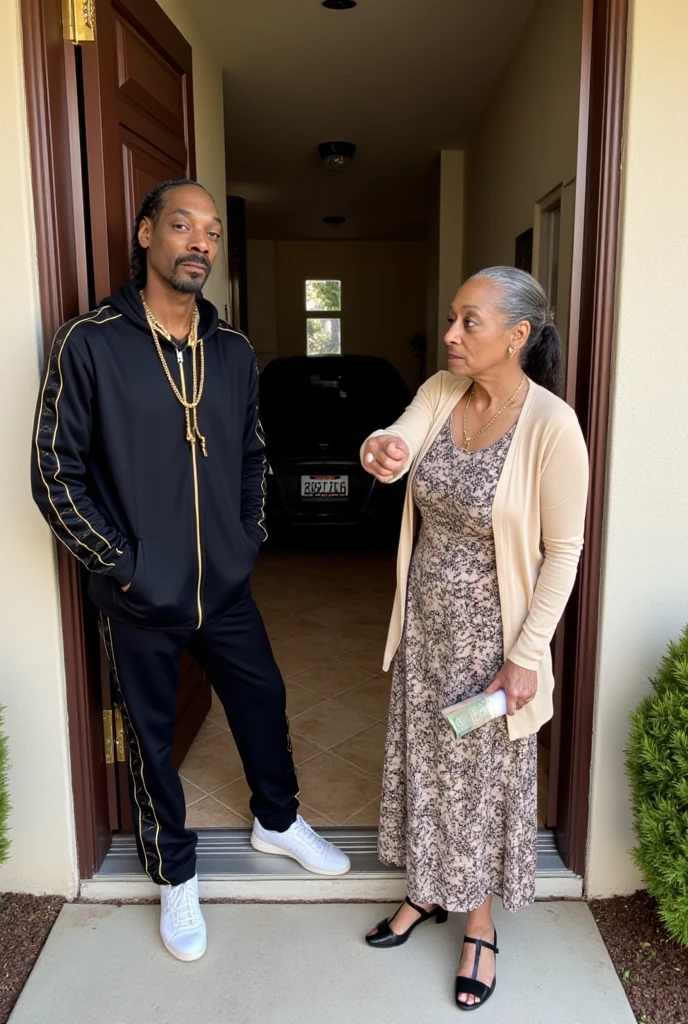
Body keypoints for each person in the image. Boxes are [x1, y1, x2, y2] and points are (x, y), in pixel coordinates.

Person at [31, 179, 350, 962]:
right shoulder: (91, 343)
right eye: (183, 225)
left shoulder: (233, 350)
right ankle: (176, 874)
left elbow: (250, 455)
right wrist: (124, 566)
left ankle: (276, 820)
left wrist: (247, 541)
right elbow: (53, 471)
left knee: (263, 698)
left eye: (211, 230)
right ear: (146, 235)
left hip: (226, 586)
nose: (200, 242)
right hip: (141, 594)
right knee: (150, 736)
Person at [361, 267, 589, 1010]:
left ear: (517, 336)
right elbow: (400, 435)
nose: (452, 336)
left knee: (483, 789)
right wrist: (380, 449)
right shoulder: (443, 390)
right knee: (425, 768)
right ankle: (425, 892)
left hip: (495, 640)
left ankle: (480, 925)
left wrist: (526, 656)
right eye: (453, 320)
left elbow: (565, 549)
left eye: (470, 323)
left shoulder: (552, 425)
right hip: (426, 627)